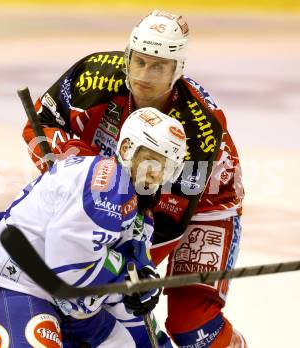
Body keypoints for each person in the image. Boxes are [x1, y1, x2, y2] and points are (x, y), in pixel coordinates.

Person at [22, 9, 246, 348]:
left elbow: (169, 223)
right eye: (139, 62)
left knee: (193, 327)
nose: (144, 75)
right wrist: (77, 168)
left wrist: (136, 269)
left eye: (158, 66)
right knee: (83, 296)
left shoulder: (198, 129)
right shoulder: (92, 77)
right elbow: (38, 124)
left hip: (206, 206)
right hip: (118, 188)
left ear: (178, 70)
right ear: (127, 56)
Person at [0, 108, 186, 347]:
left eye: (168, 167)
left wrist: (144, 286)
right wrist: (128, 276)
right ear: (126, 149)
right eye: (152, 162)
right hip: (6, 280)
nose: (157, 175)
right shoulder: (109, 183)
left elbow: (132, 279)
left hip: (59, 301)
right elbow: (70, 268)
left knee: (124, 343)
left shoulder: (140, 217)